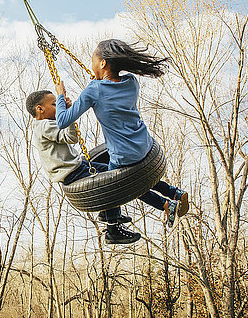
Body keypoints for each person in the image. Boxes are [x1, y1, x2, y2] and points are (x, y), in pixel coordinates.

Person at [54, 39, 189, 235]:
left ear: (102, 63)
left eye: (93, 58)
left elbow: (62, 121)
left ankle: (117, 227)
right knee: (137, 177)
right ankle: (172, 194)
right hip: (145, 145)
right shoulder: (131, 81)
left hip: (124, 155)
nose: (91, 63)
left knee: (125, 186)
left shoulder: (94, 90)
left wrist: (60, 96)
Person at [26, 89, 141, 244]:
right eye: (54, 104)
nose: (57, 106)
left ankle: (107, 214)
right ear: (40, 109)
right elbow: (71, 137)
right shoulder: (44, 125)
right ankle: (113, 230)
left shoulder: (45, 125)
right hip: (72, 172)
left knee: (112, 171)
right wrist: (68, 114)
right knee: (111, 183)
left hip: (78, 165)